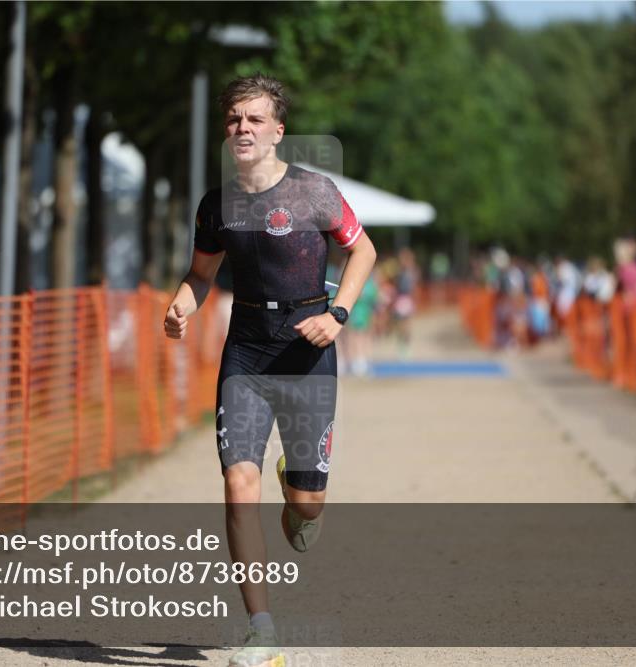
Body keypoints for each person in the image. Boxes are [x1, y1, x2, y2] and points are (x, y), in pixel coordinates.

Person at [162, 73, 377, 667]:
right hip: (248, 354)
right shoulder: (216, 206)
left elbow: (363, 250)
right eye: (234, 120)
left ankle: (297, 486)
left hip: (308, 350)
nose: (243, 129)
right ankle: (262, 630)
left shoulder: (315, 193)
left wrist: (338, 314)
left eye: (255, 119)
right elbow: (201, 276)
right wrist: (181, 305)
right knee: (236, 485)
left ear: (278, 131)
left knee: (307, 507)